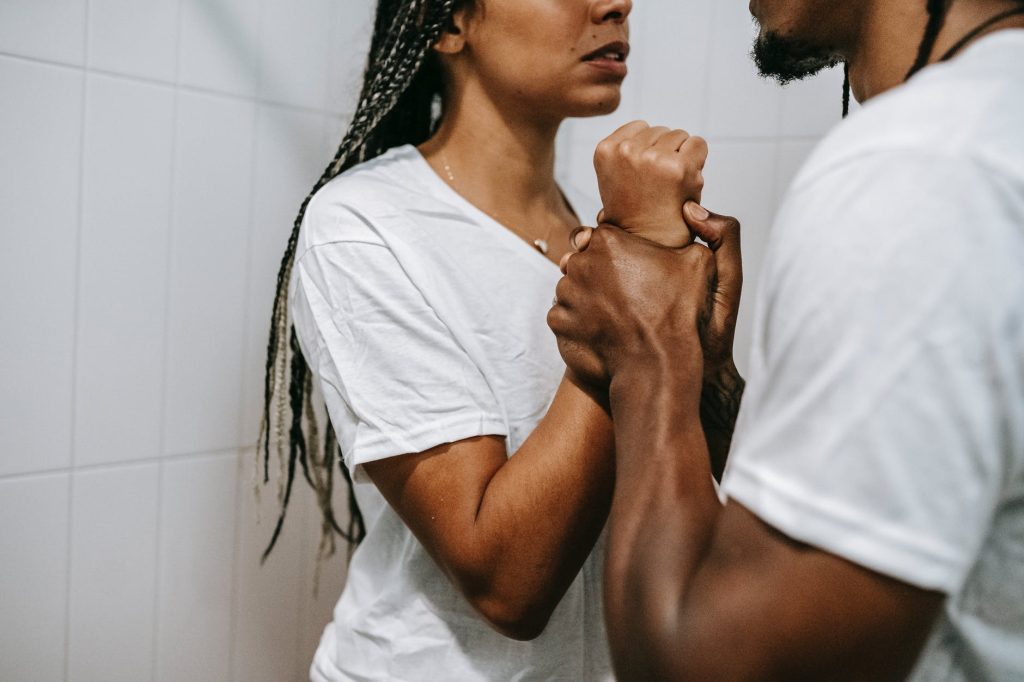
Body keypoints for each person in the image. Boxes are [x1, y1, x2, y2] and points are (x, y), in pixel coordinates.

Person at [550, 0, 1024, 679]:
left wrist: (648, 354)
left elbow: (711, 669)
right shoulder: (988, 129)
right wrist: (708, 374)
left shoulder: (927, 169)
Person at [256, 0, 708, 679]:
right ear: (451, 25)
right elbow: (507, 583)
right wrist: (626, 289)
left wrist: (708, 353)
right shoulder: (366, 227)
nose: (616, 3)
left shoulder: (587, 230)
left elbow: (672, 497)